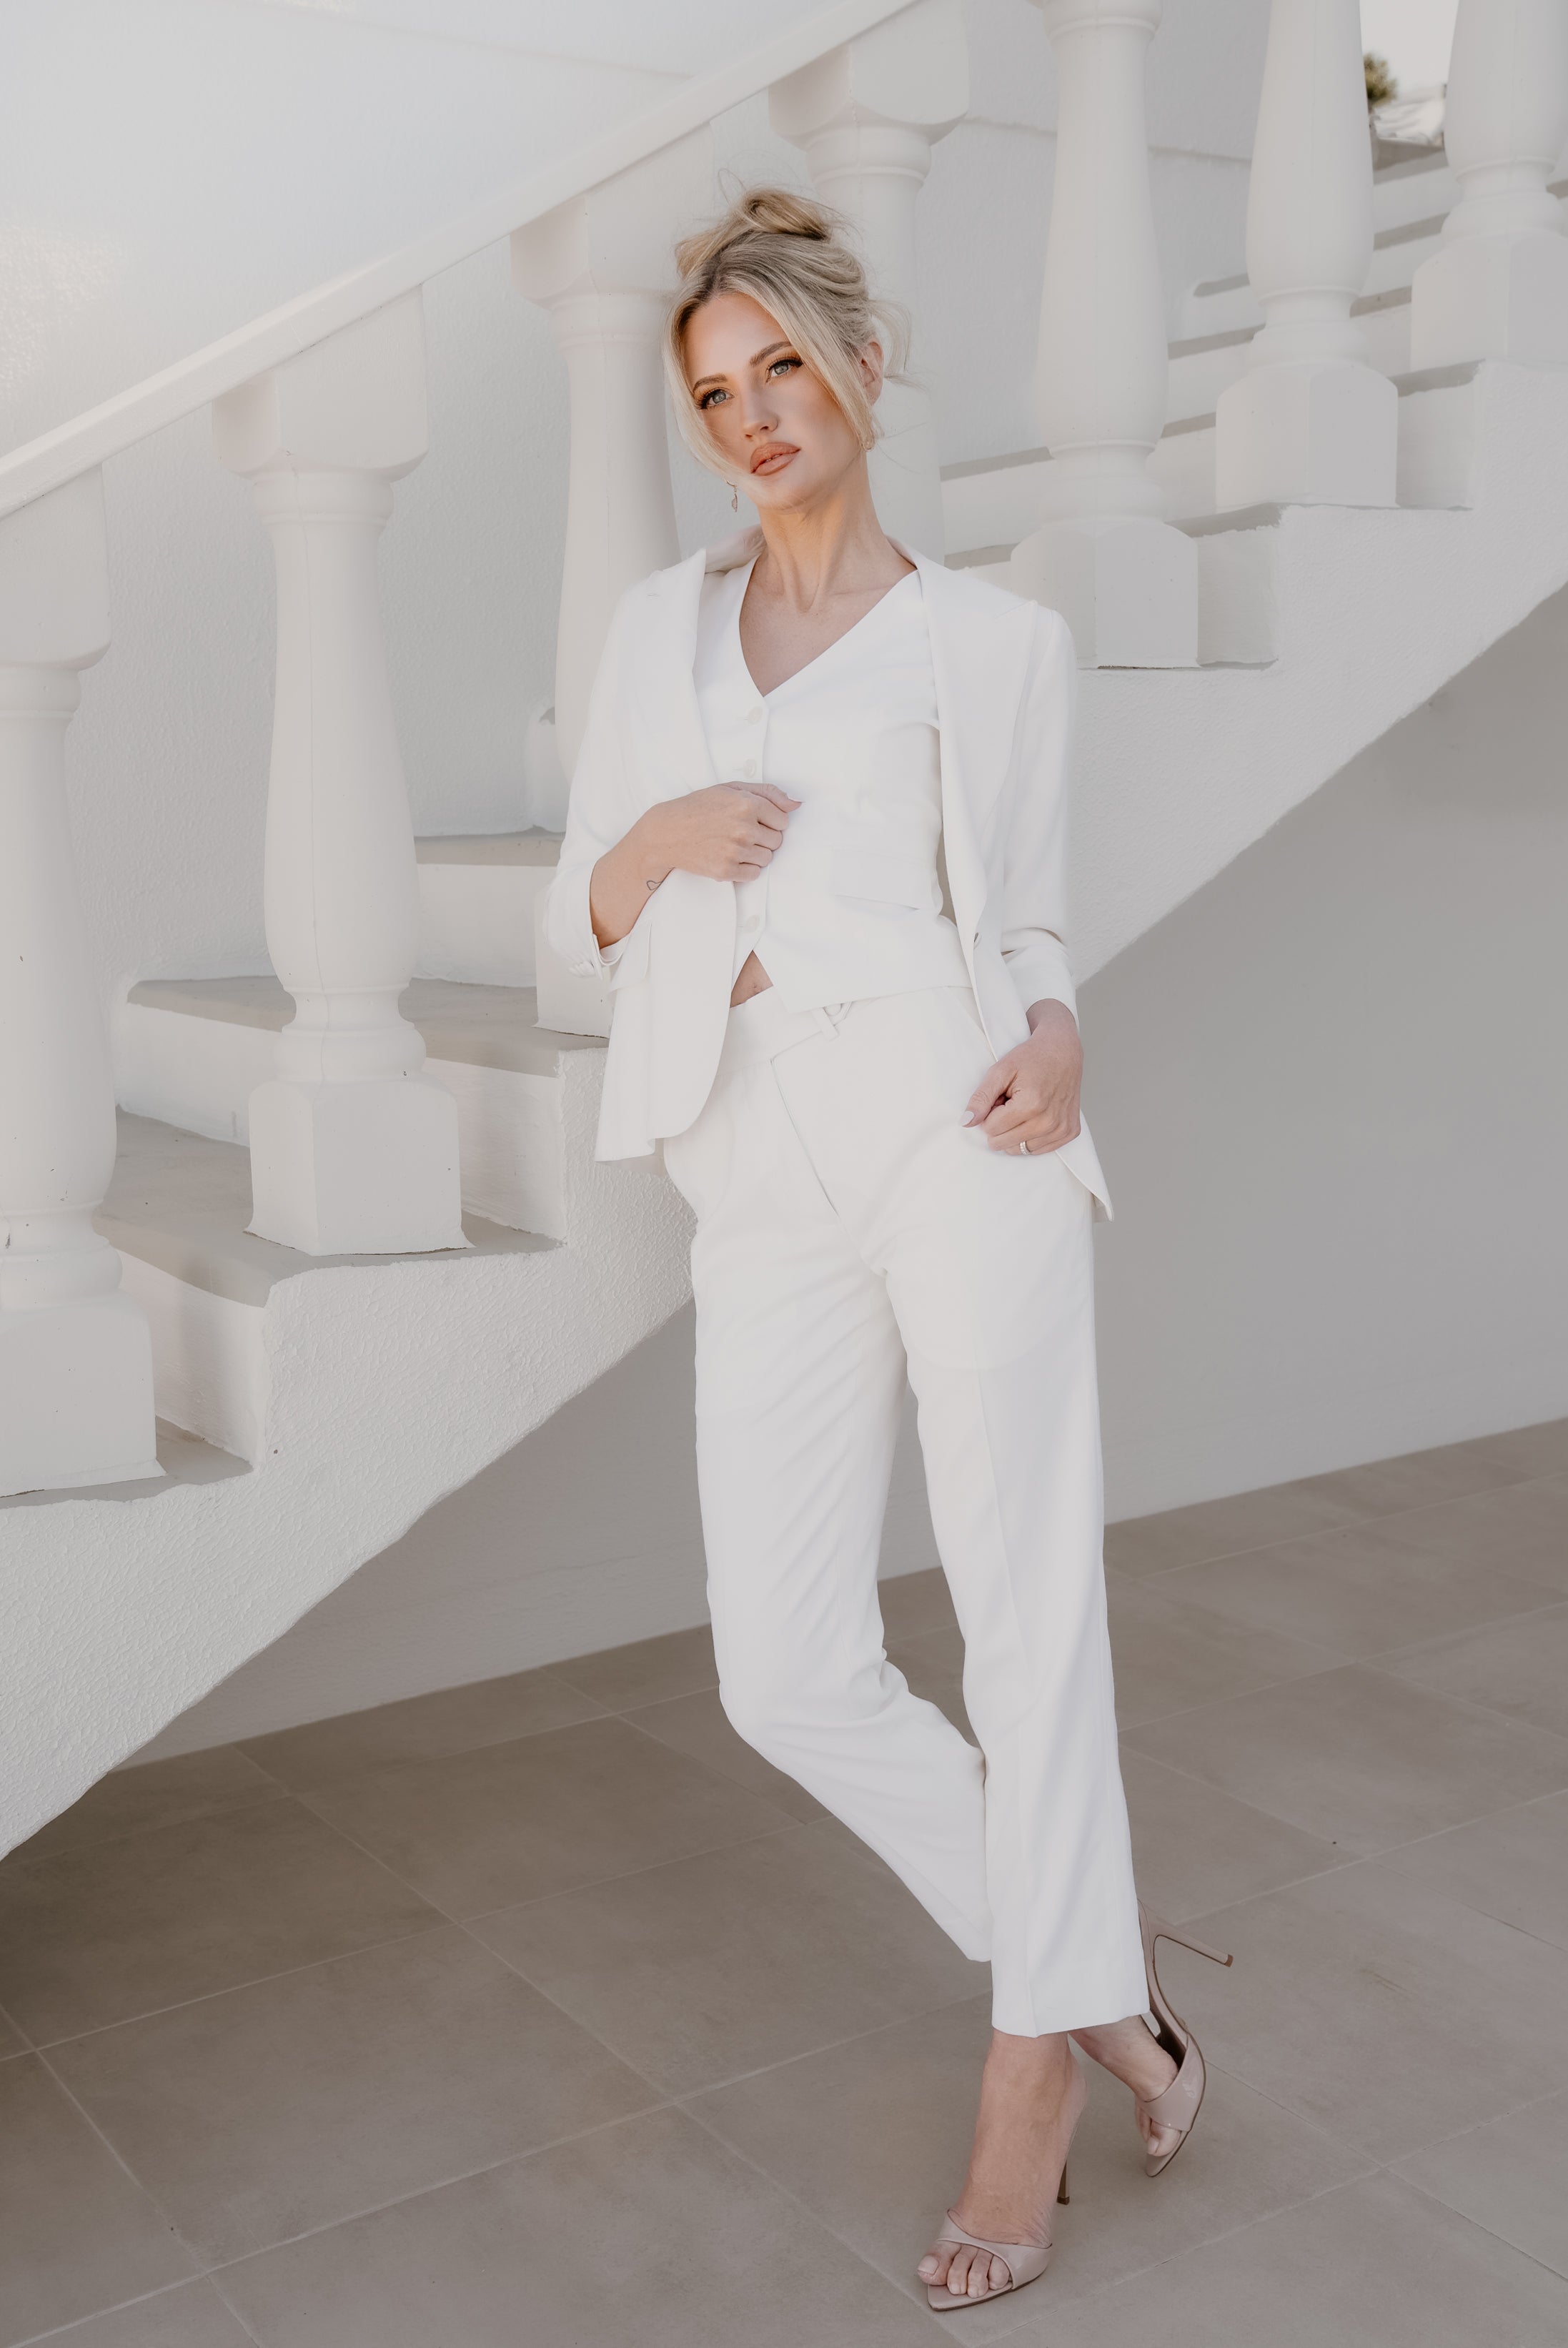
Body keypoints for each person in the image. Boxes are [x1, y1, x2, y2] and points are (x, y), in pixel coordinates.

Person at [545, 185, 1229, 2313]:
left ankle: (1029, 2089)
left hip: (953, 1117)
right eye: (712, 394)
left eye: (779, 369)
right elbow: (581, 917)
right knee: (785, 1666)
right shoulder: (656, 632)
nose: (751, 416)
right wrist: (657, 841)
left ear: (858, 367)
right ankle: (1097, 1976)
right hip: (750, 1141)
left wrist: (1061, 1027)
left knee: (1028, 1614)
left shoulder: (993, 644)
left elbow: (1021, 915)